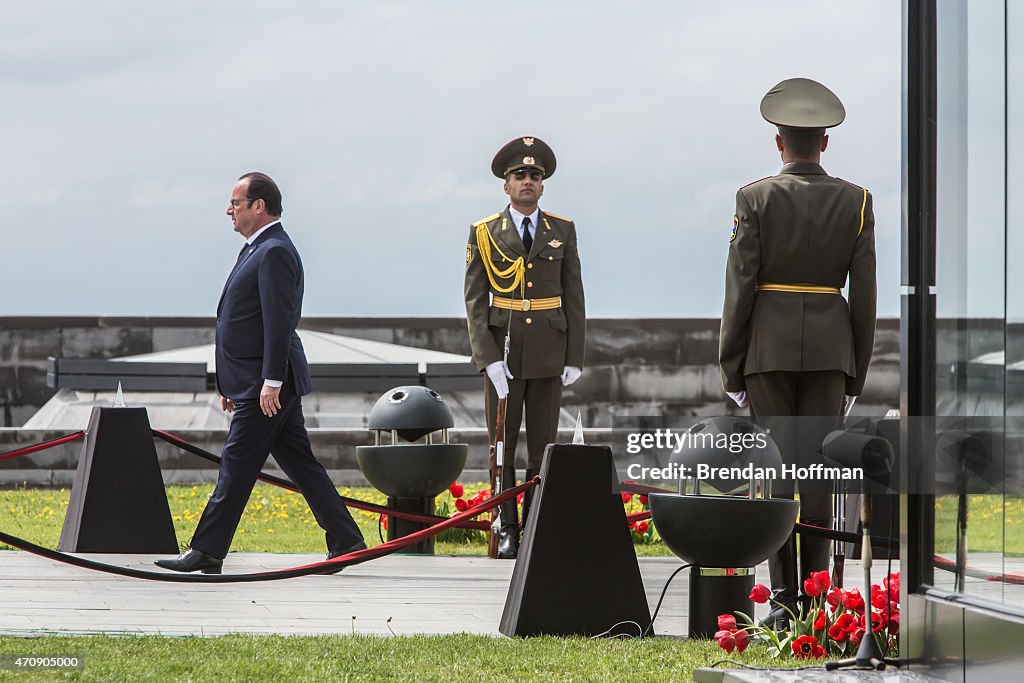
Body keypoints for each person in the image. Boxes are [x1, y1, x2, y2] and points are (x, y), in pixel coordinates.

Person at [718, 79, 877, 626]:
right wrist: (856, 372)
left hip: (768, 349)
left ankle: (784, 601)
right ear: (824, 143)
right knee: (818, 474)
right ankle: (817, 597)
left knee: (777, 473)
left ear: (779, 142)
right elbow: (866, 295)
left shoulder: (754, 197)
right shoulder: (856, 201)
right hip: (833, 352)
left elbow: (741, 286)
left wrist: (730, 363)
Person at [156, 172, 365, 574]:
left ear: (259, 206)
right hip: (254, 382)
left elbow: (278, 321)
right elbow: (244, 321)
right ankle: (346, 539)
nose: (229, 210)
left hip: (266, 387)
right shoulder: (257, 249)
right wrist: (230, 380)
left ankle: (207, 551)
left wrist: (271, 381)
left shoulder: (274, 252)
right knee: (301, 464)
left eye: (236, 202)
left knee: (236, 466)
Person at [464, 137, 586, 559]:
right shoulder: (484, 233)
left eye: (535, 175)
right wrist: (487, 359)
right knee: (503, 445)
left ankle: (536, 524)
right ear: (506, 185)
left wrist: (575, 356)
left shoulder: (562, 230)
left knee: (543, 446)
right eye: (520, 176)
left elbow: (574, 294)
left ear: (543, 184)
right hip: (504, 351)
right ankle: (508, 526)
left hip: (549, 351)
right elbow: (475, 301)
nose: (527, 181)